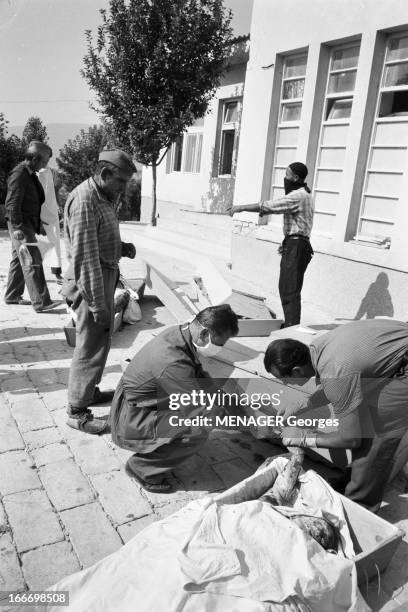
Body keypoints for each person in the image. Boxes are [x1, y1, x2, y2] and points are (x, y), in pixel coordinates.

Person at [263, 318, 408, 512]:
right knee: (372, 420)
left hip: (403, 365)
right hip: (397, 353)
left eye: (285, 379)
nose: (285, 385)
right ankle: (356, 480)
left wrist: (306, 438)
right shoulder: (316, 349)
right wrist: (303, 404)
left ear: (297, 370)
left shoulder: (335, 370)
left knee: (373, 434)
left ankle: (359, 506)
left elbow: (351, 439)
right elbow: (343, 383)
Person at [110, 304, 239, 492]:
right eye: (220, 343)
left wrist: (222, 398)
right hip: (133, 417)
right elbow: (199, 410)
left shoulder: (181, 333)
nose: (220, 348)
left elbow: (198, 375)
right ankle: (142, 468)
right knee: (199, 429)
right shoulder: (172, 363)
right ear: (204, 334)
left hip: (146, 401)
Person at [62, 149, 137, 435]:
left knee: (100, 341)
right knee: (90, 344)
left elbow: (99, 239)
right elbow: (85, 259)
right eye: (121, 181)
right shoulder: (84, 201)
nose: (124, 188)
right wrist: (97, 305)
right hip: (89, 282)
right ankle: (76, 411)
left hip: (103, 275)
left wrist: (122, 248)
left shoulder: (103, 195)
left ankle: (87, 390)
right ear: (105, 174)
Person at [229, 162, 314, 328]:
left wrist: (240, 208)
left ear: (296, 177)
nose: (285, 178)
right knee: (288, 286)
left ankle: (291, 327)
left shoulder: (298, 196)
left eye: (287, 175)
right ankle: (291, 323)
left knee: (289, 288)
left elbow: (269, 206)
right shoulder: (305, 194)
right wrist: (288, 242)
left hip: (297, 245)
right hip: (296, 243)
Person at [4, 140, 59, 312]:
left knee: (18, 259)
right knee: (32, 260)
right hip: (21, 225)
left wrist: (37, 222)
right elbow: (12, 204)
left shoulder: (28, 173)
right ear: (34, 158)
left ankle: (12, 295)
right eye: (43, 161)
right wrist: (19, 228)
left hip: (26, 223)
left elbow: (29, 200)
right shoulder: (19, 174)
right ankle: (41, 302)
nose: (44, 165)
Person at [38, 164, 63, 283]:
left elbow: (55, 190)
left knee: (55, 243)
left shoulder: (51, 171)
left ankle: (57, 272)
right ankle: (36, 272)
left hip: (51, 211)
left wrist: (59, 205)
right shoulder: (36, 172)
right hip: (39, 211)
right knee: (38, 243)